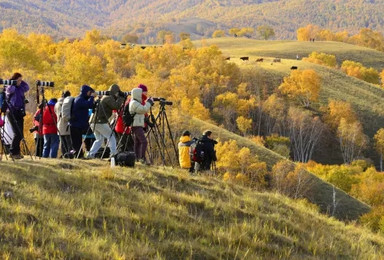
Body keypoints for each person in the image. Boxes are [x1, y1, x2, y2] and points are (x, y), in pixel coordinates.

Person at [88, 84, 124, 159]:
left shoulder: (105, 97)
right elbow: (116, 106)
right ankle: (113, 153)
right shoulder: (108, 98)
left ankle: (90, 154)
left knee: (99, 140)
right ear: (115, 92)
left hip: (93, 121)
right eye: (117, 93)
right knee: (111, 136)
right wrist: (121, 97)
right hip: (99, 121)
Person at [5, 72, 29, 159]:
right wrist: (13, 82)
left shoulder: (21, 88)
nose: (20, 82)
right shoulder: (11, 87)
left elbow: (27, 87)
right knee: (17, 132)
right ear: (14, 80)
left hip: (19, 111)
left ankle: (16, 152)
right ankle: (13, 152)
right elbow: (9, 90)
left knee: (20, 133)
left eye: (21, 80)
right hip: (12, 111)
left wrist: (21, 82)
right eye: (18, 80)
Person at [70, 85, 95, 158]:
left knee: (78, 142)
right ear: (86, 92)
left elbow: (91, 105)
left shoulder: (80, 99)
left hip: (78, 124)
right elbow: (89, 105)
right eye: (89, 93)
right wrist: (92, 97)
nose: (90, 94)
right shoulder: (79, 100)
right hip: (75, 125)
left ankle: (79, 155)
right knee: (77, 143)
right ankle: (78, 156)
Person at [129, 87, 153, 164]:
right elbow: (143, 109)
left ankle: (137, 158)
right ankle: (142, 158)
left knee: (138, 142)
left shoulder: (135, 102)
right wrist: (149, 103)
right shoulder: (134, 103)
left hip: (137, 124)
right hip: (136, 125)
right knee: (144, 142)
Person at [55, 90, 73, 156]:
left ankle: (64, 154)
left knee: (62, 142)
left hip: (59, 124)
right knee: (69, 142)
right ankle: (70, 154)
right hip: (66, 124)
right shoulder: (67, 103)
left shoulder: (57, 104)